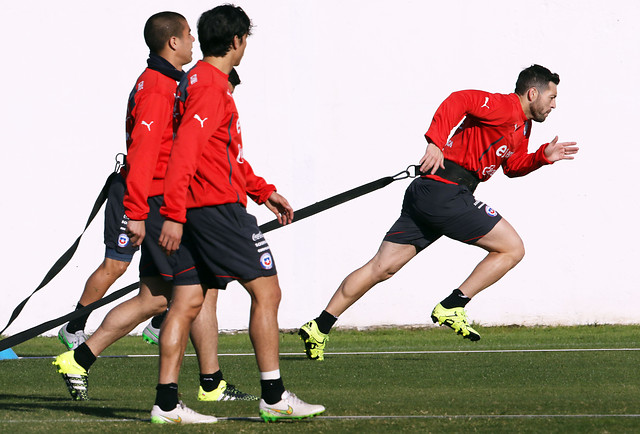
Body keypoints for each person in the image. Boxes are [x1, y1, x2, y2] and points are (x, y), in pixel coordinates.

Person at [299, 64, 579, 361]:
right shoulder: (503, 106)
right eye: (551, 97)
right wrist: (435, 142)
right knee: (512, 248)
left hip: (431, 192)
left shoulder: (523, 126)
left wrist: (541, 158)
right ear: (532, 93)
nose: (554, 104)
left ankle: (319, 326)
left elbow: (511, 166)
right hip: (446, 191)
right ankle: (453, 304)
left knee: (382, 267)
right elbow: (459, 100)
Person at [52, 12, 254, 420]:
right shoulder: (159, 88)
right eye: (188, 35)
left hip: (163, 202)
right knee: (189, 294)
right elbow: (145, 154)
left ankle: (81, 359)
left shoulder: (170, 82)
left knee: (158, 297)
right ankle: (183, 393)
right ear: (173, 43)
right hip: (159, 204)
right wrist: (138, 212)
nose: (194, 41)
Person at [157, 4, 325, 422]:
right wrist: (174, 214)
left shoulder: (195, 80)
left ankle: (165, 405)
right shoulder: (210, 87)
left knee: (188, 300)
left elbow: (222, 155)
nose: (245, 46)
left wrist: (262, 191)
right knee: (267, 292)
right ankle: (274, 396)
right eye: (245, 39)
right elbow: (184, 154)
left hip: (203, 206)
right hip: (214, 210)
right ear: (236, 41)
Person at [141, 66, 242, 346]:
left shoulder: (181, 85)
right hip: (177, 204)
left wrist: (262, 191)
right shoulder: (195, 90)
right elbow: (177, 155)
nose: (192, 40)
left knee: (166, 299)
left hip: (173, 203)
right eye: (187, 34)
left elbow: (230, 160)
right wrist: (166, 214)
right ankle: (80, 347)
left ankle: (205, 382)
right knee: (175, 299)